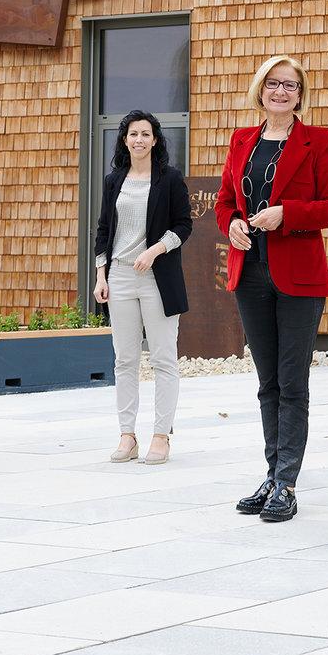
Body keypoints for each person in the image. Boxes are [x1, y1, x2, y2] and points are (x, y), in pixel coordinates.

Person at [217, 55, 328, 522]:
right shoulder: (242, 141)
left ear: (300, 94)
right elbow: (225, 201)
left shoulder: (320, 141)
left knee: (293, 384)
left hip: (298, 278)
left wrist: (286, 215)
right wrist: (232, 222)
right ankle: (272, 475)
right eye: (273, 84)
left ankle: (287, 483)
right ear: (260, 89)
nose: (280, 92)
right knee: (266, 383)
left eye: (290, 86)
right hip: (249, 274)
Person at [92, 110, 192, 464]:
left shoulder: (170, 179)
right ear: (124, 139)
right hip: (118, 276)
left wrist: (154, 250)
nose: (139, 140)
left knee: (164, 359)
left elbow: (184, 226)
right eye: (133, 133)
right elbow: (104, 229)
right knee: (125, 360)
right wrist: (101, 274)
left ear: (155, 139)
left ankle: (162, 436)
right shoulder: (113, 180)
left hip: (157, 278)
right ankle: (127, 435)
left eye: (145, 134)